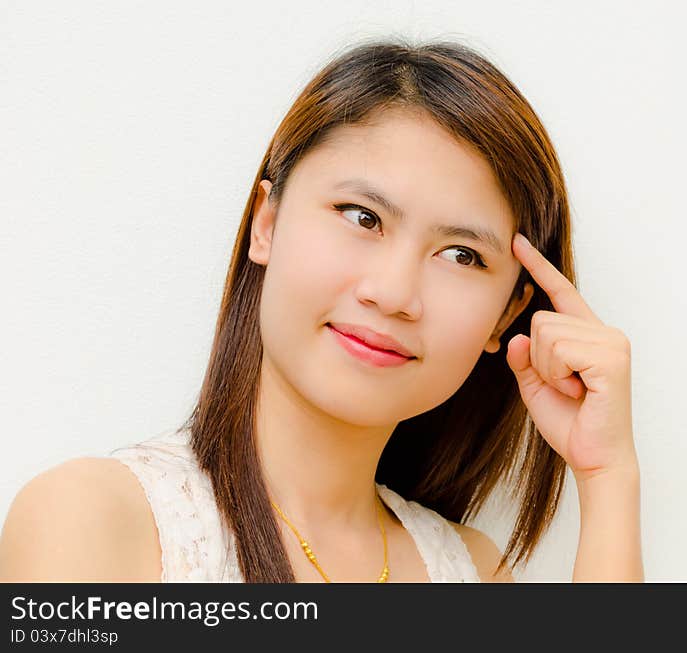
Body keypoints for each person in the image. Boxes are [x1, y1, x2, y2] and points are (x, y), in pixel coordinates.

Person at [0, 38, 643, 583]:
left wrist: (606, 475)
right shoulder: (96, 522)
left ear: (507, 317)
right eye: (363, 218)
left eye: (461, 255)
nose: (392, 293)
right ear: (267, 223)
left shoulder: (470, 573)